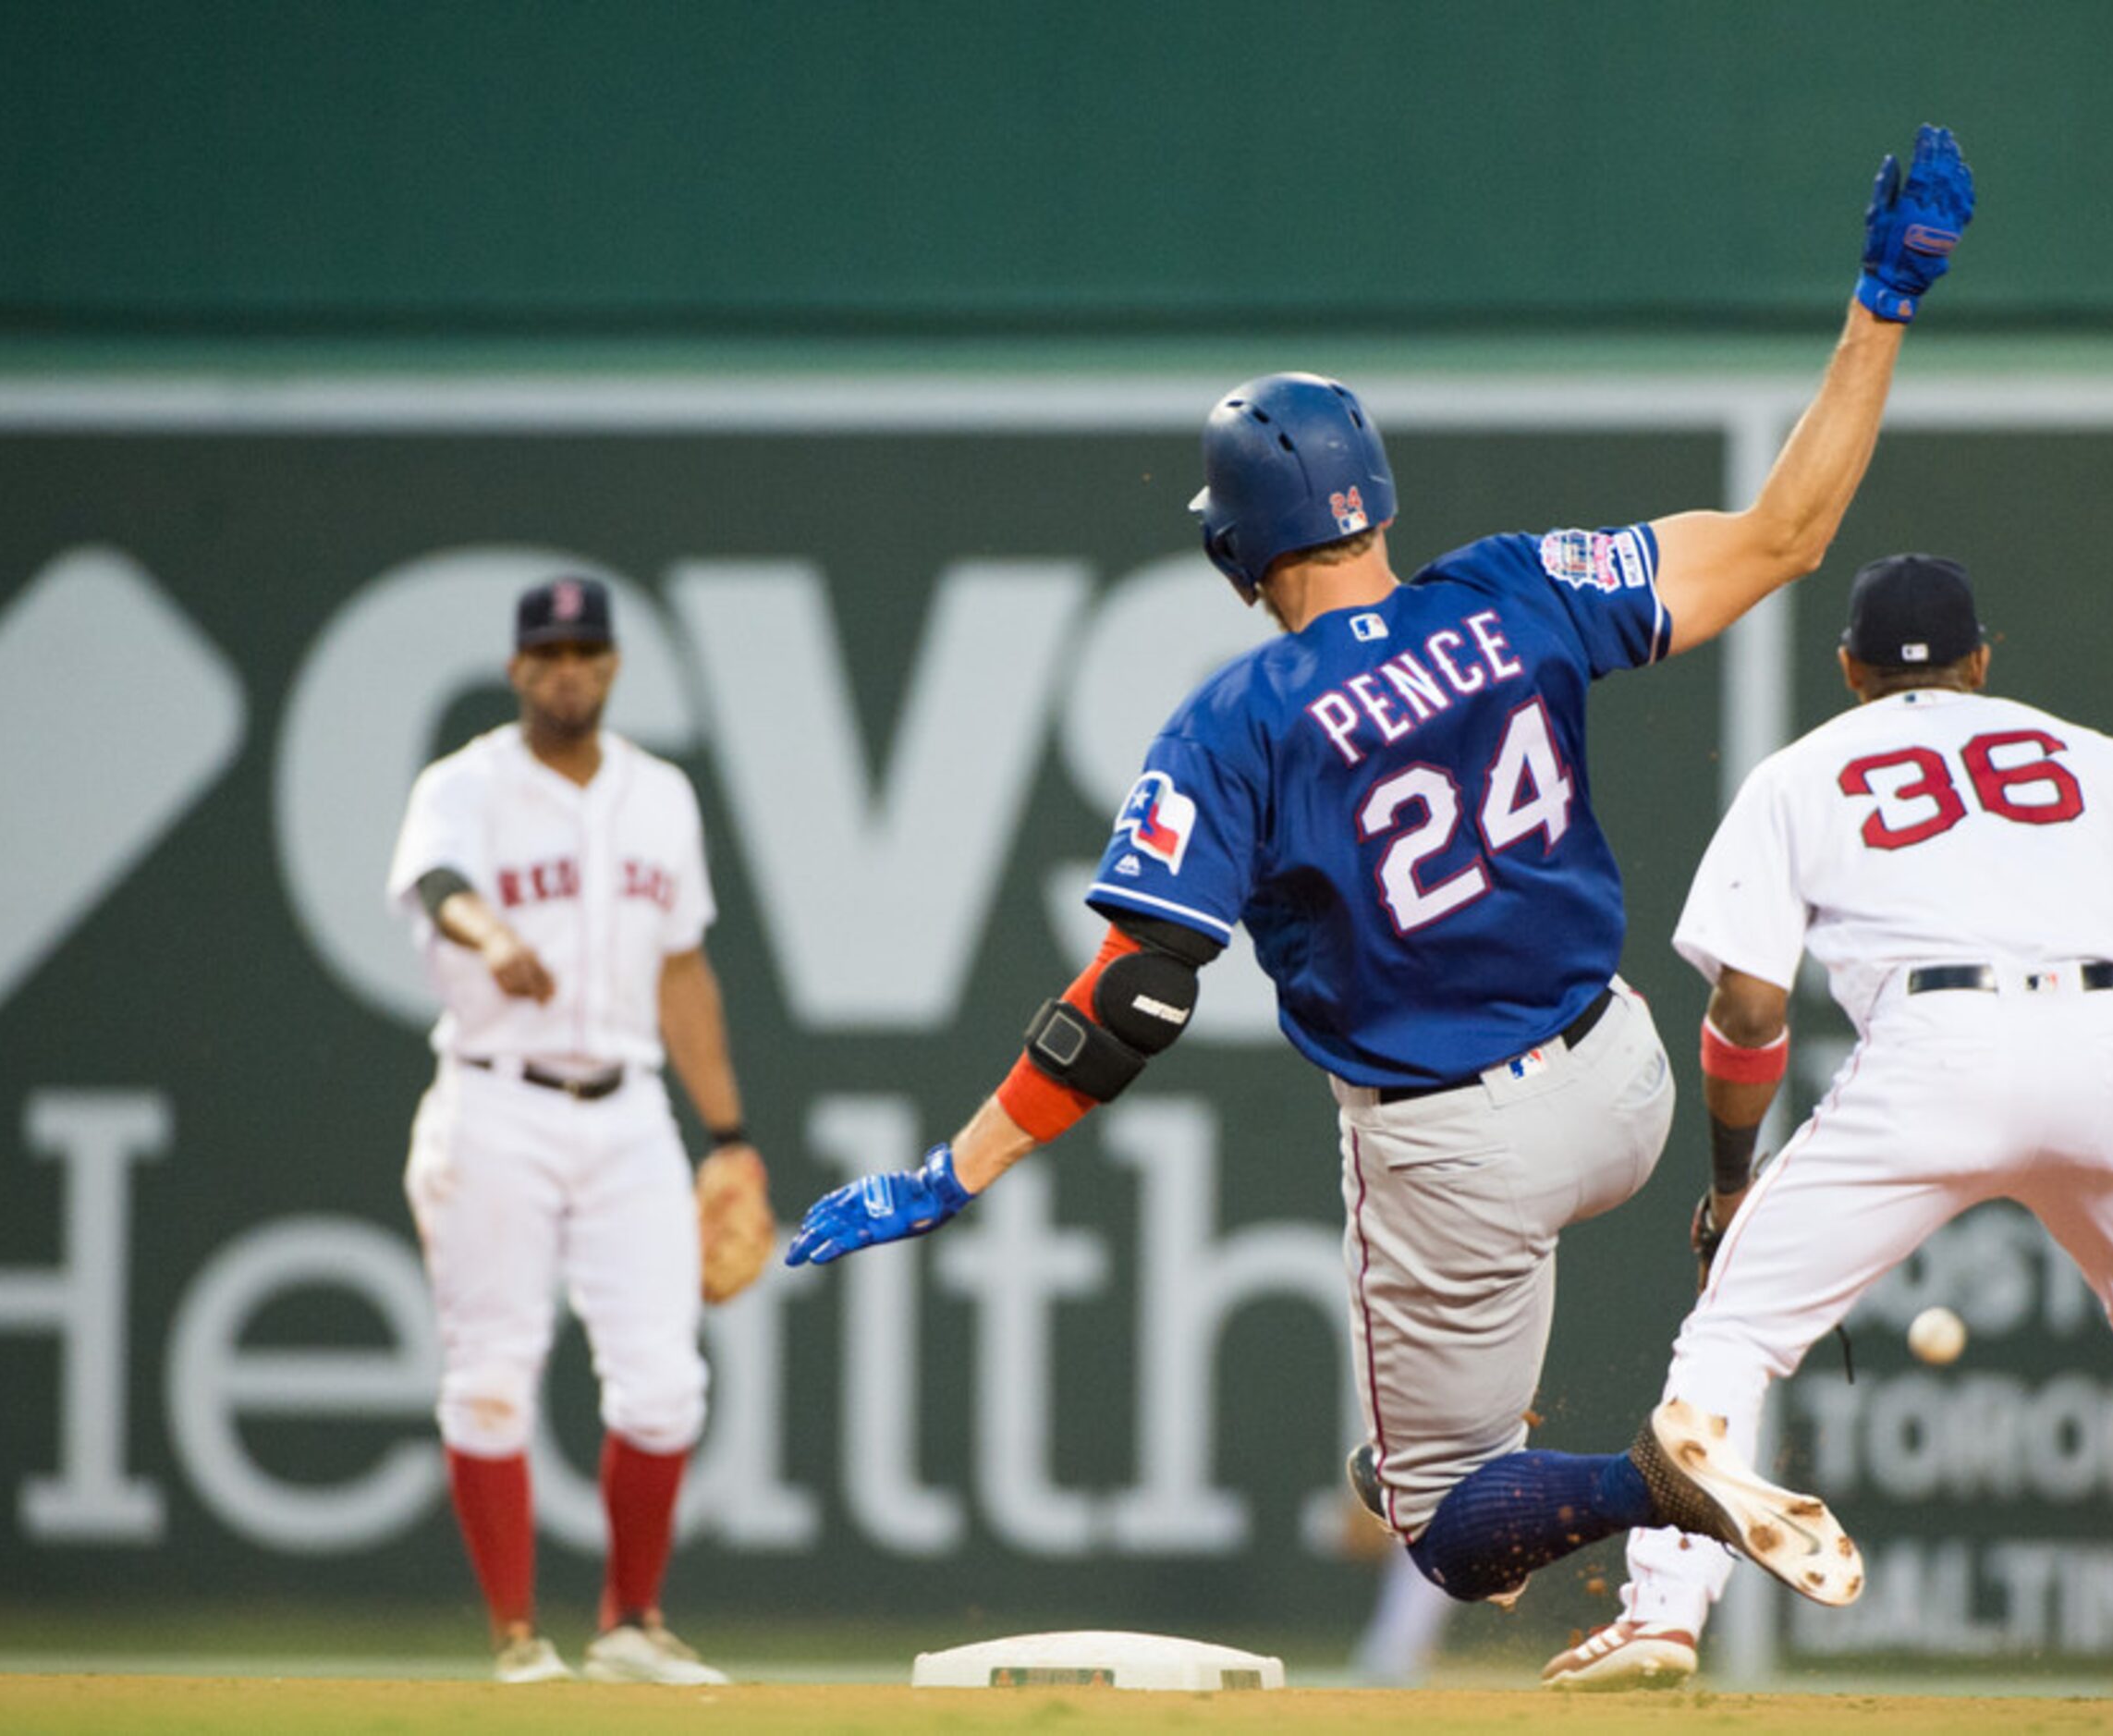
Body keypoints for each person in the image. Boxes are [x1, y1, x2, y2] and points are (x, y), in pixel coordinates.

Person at [789, 128, 1975, 1617]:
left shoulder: (1239, 719)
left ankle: (1649, 1481)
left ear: (1234, 552)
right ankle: (1486, 1432)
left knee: (1449, 1533)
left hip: (1454, 1153)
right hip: (1621, 1084)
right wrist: (1884, 303)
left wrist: (950, 1169)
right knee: (1443, 1426)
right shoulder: (1517, 586)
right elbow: (1788, 532)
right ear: (1378, 495)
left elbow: (1137, 993)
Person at [1544, 554, 2113, 1695]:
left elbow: (1751, 1007)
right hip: (2104, 1033)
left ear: (1848, 669)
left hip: (1938, 1044)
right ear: (1981, 659)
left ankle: (1665, 1615)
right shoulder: (2088, 754)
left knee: (1736, 1330)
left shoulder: (1802, 770)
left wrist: (1733, 1186)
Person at [386, 576, 771, 1685]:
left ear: (611, 666)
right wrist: (487, 933)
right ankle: (516, 1640)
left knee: (664, 1382)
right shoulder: (465, 785)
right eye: (548, 651)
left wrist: (730, 1132)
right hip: (493, 1097)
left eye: (587, 650)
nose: (569, 668)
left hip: (630, 1106)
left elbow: (684, 967)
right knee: (493, 1374)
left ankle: (631, 1626)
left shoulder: (661, 796)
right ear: (516, 670)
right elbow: (437, 880)